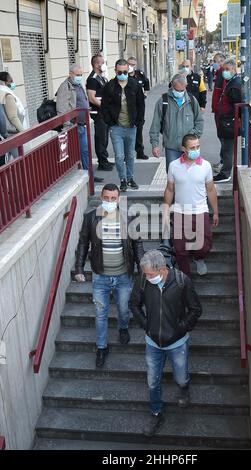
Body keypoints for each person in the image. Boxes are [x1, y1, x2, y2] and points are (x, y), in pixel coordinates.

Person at [129, 250, 202, 437]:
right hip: (152, 343)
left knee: (180, 376)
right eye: (145, 274)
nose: (147, 277)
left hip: (177, 343)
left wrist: (181, 328)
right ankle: (156, 412)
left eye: (150, 274)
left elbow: (195, 309)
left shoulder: (181, 281)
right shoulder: (144, 280)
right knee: (152, 381)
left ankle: (184, 387)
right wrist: (146, 325)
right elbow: (134, 305)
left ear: (162, 270)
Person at [74, 183, 144, 367]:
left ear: (119, 199)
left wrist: (142, 268)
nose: (110, 201)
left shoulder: (129, 217)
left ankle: (123, 327)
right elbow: (83, 243)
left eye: (113, 198)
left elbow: (137, 245)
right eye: (106, 198)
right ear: (101, 197)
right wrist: (79, 269)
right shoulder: (91, 218)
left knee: (123, 308)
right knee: (100, 313)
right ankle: (101, 347)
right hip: (100, 276)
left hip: (123, 276)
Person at [163, 134, 218, 277]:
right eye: (192, 147)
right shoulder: (174, 166)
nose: (196, 150)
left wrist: (216, 211)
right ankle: (184, 277)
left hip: (201, 211)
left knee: (204, 246)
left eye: (198, 146)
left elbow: (211, 189)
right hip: (181, 212)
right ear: (184, 149)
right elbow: (170, 189)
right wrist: (166, 209)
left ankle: (198, 258)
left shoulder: (205, 166)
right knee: (180, 248)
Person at [101, 59, 145, 192]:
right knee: (119, 156)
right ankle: (123, 180)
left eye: (125, 72)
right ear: (115, 71)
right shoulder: (110, 86)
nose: (122, 74)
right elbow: (104, 107)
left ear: (128, 71)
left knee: (130, 155)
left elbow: (141, 104)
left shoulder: (135, 85)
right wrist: (110, 122)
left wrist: (139, 122)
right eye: (120, 72)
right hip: (116, 128)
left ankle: (131, 179)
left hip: (131, 127)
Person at [56, 64, 103, 182]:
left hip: (82, 124)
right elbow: (61, 108)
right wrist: (67, 126)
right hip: (73, 125)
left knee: (85, 150)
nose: (79, 77)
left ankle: (89, 174)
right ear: (70, 74)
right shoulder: (65, 87)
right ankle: (83, 175)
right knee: (76, 152)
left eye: (81, 75)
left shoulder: (77, 85)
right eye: (77, 75)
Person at [150, 73, 204, 172]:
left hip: (189, 148)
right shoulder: (163, 101)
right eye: (177, 90)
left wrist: (193, 136)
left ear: (186, 87)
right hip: (171, 148)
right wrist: (155, 145)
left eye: (182, 90)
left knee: (191, 175)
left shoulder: (192, 101)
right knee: (173, 176)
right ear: (172, 86)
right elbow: (155, 125)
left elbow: (199, 121)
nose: (179, 93)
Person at [213, 59, 242, 183]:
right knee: (225, 147)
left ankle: (225, 174)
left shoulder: (235, 84)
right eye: (223, 70)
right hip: (226, 121)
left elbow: (237, 105)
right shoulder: (230, 81)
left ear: (234, 69)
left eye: (227, 69)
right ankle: (225, 171)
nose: (224, 72)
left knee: (227, 149)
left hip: (229, 122)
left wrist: (235, 119)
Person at [86, 54, 114, 171]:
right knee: (100, 137)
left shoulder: (101, 77)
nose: (105, 65)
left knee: (105, 137)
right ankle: (102, 162)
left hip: (104, 112)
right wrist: (105, 106)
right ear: (97, 64)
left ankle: (105, 159)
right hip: (99, 112)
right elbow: (92, 98)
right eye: (103, 63)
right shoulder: (92, 79)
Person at [0, 71, 27, 159]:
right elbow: (13, 117)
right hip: (12, 133)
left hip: (5, 134)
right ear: (4, 82)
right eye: (10, 80)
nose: (12, 82)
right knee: (21, 159)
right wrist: (24, 132)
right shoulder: (7, 95)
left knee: (8, 160)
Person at [127, 56, 150, 160]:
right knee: (127, 131)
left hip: (139, 107)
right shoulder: (123, 76)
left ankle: (140, 152)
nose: (131, 66)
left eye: (133, 64)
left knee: (139, 130)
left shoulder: (140, 75)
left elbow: (147, 84)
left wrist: (145, 94)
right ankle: (127, 154)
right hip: (127, 108)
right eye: (129, 64)